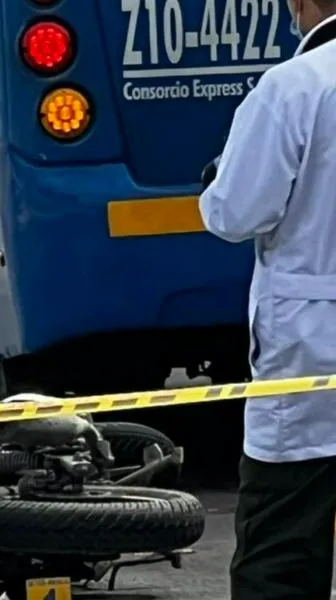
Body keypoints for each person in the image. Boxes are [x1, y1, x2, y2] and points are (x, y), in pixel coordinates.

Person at [199, 1, 336, 598]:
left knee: (280, 551)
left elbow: (236, 210)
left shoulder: (296, 86)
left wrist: (217, 179)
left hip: (310, 360)